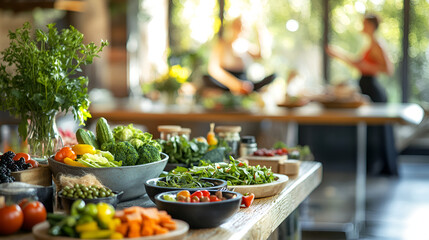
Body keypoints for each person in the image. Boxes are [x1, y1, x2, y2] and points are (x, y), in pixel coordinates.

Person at [326, 14, 397, 175]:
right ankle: (374, 166)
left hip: (374, 90)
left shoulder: (378, 44)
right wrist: (340, 55)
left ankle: (386, 167)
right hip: (366, 87)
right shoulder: (370, 44)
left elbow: (388, 69)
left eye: (364, 24)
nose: (362, 26)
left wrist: (365, 67)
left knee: (381, 129)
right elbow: (357, 64)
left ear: (371, 26)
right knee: (373, 130)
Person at [207, 17, 276, 95]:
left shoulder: (246, 45)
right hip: (225, 81)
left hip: (243, 80)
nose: (240, 29)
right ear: (232, 27)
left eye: (243, 26)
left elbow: (262, 56)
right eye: (238, 25)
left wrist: (260, 34)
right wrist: (234, 84)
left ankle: (247, 90)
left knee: (273, 76)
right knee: (205, 79)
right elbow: (214, 69)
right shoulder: (222, 44)